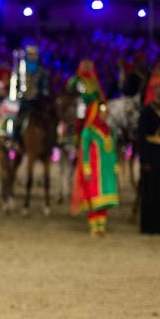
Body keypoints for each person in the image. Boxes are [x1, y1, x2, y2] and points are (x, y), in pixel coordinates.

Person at [72, 101, 119, 237]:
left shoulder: (110, 131)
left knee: (104, 199)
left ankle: (102, 227)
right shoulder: (88, 132)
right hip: (94, 171)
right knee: (94, 198)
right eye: (102, 113)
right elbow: (84, 151)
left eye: (106, 113)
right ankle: (94, 227)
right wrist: (86, 169)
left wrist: (115, 165)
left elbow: (113, 150)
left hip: (107, 171)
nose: (104, 116)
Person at [138, 55, 160, 234]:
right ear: (154, 89)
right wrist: (145, 160)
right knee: (152, 191)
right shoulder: (147, 111)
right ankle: (151, 226)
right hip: (152, 152)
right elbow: (141, 137)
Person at [10, 45, 49, 144]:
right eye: (30, 54)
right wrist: (17, 94)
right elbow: (16, 83)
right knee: (19, 119)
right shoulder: (21, 69)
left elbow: (44, 85)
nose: (32, 56)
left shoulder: (41, 70)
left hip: (37, 101)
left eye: (34, 54)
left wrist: (43, 94)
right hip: (24, 99)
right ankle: (15, 140)